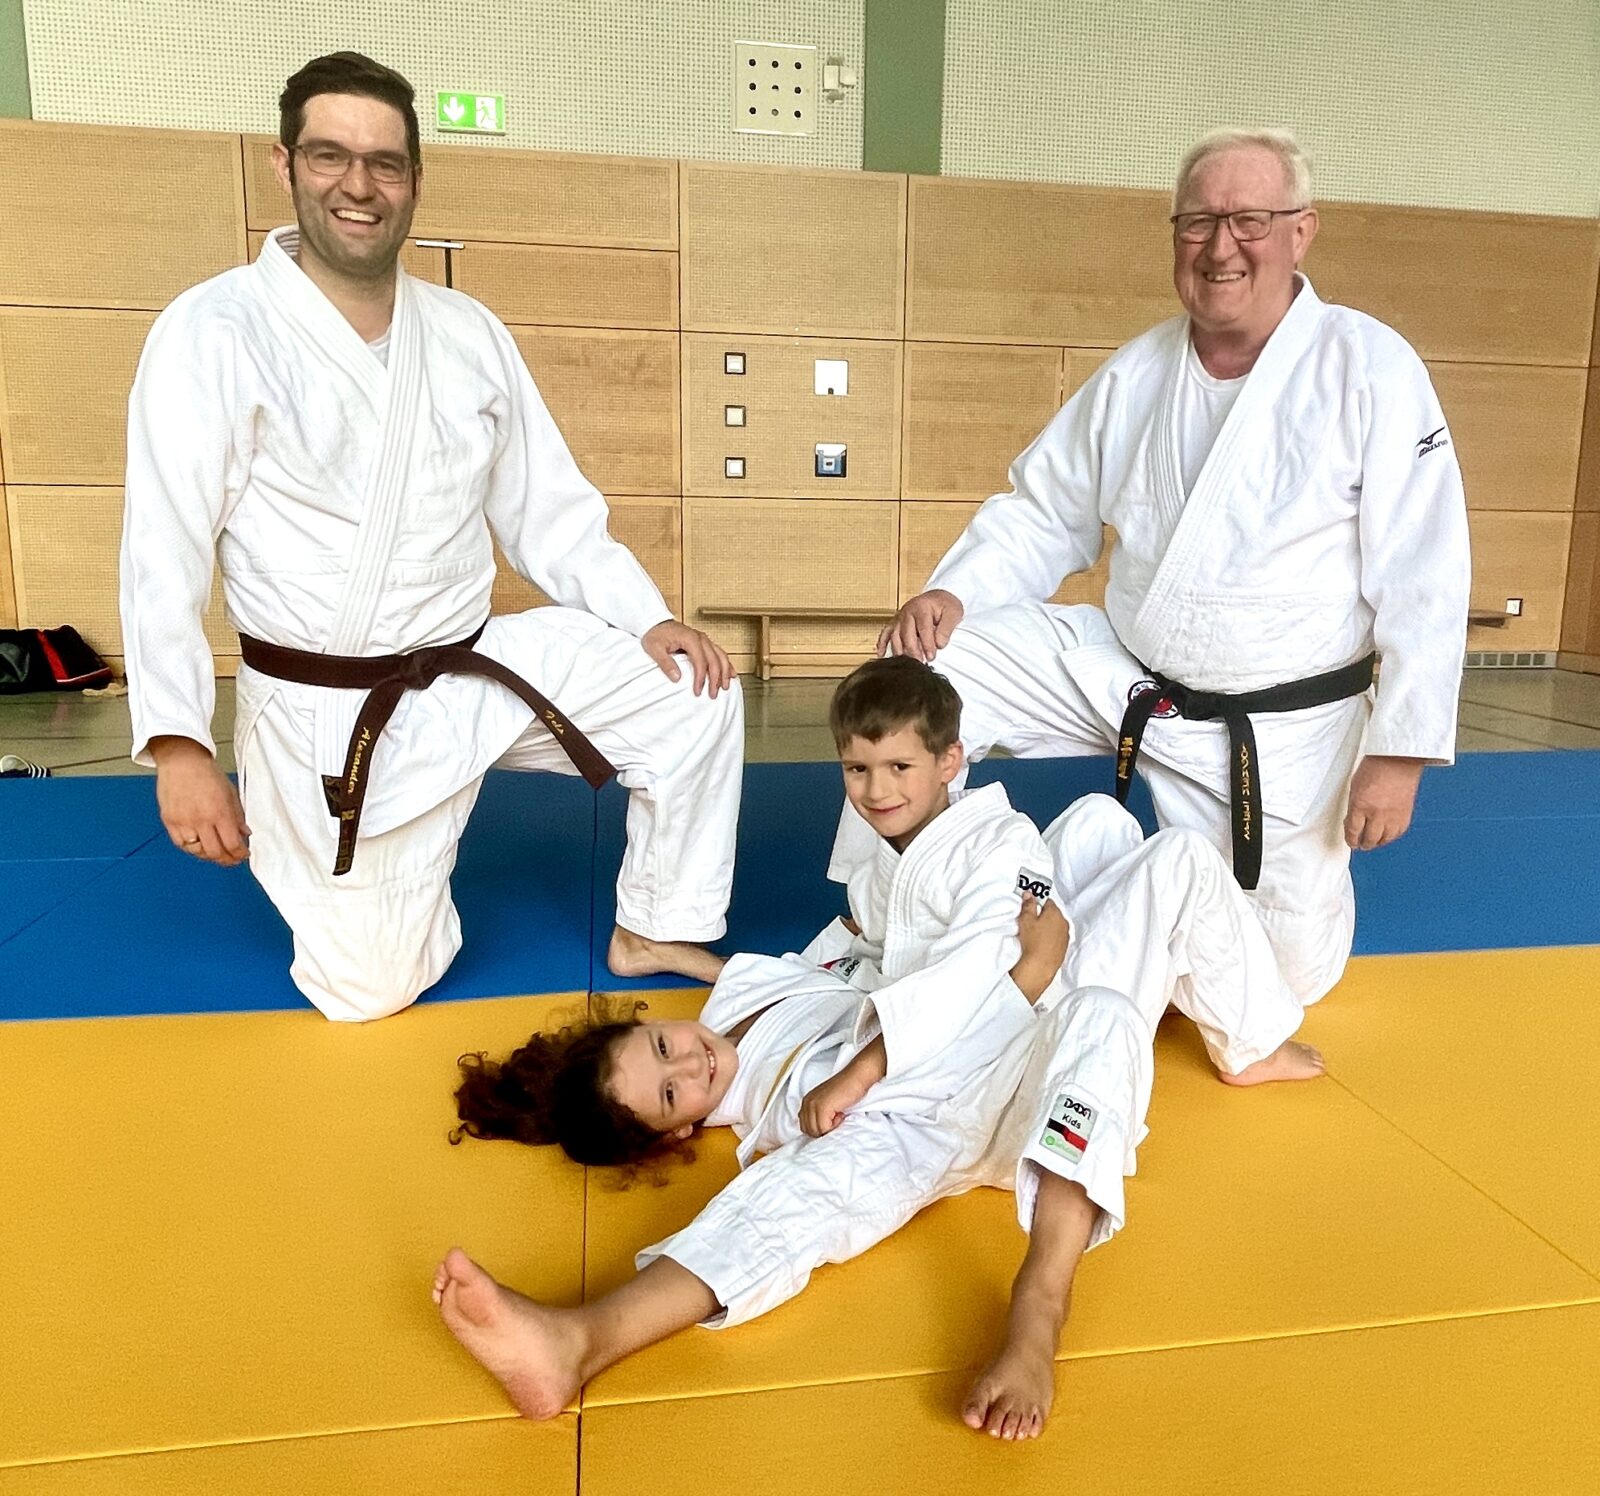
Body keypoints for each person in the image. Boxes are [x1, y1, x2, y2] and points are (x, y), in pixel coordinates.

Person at [431, 659, 1322, 1434]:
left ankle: (1238, 1040)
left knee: (1099, 825)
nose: (690, 1063)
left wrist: (664, 955)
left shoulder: (748, 1000)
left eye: (662, 1044)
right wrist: (903, 1043)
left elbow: (828, 954)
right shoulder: (780, 1106)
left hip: (997, 1007)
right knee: (1100, 1007)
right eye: (673, 1095)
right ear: (675, 1135)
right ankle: (582, 1340)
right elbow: (911, 977)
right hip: (925, 1109)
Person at [118, 52, 742, 1021]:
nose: (359, 186)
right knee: (369, 989)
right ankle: (394, 868)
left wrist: (645, 616)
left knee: (691, 690)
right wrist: (180, 745)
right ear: (284, 163)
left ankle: (657, 917)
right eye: (331, 155)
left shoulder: (466, 331)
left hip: (473, 664)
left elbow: (549, 510)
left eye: (386, 163)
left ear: (413, 179)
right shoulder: (214, 329)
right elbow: (162, 546)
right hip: (331, 705)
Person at [877, 127, 1471, 1005]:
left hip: (1281, 731)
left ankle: (1107, 916)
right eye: (1198, 223)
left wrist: (1402, 753)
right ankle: (897, 911)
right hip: (1128, 678)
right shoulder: (1139, 371)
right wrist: (954, 591)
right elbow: (1046, 508)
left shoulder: (1368, 367)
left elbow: (1426, 569)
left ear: (1302, 230)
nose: (1222, 246)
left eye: (1250, 220)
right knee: (920, 673)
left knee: (1282, 985)